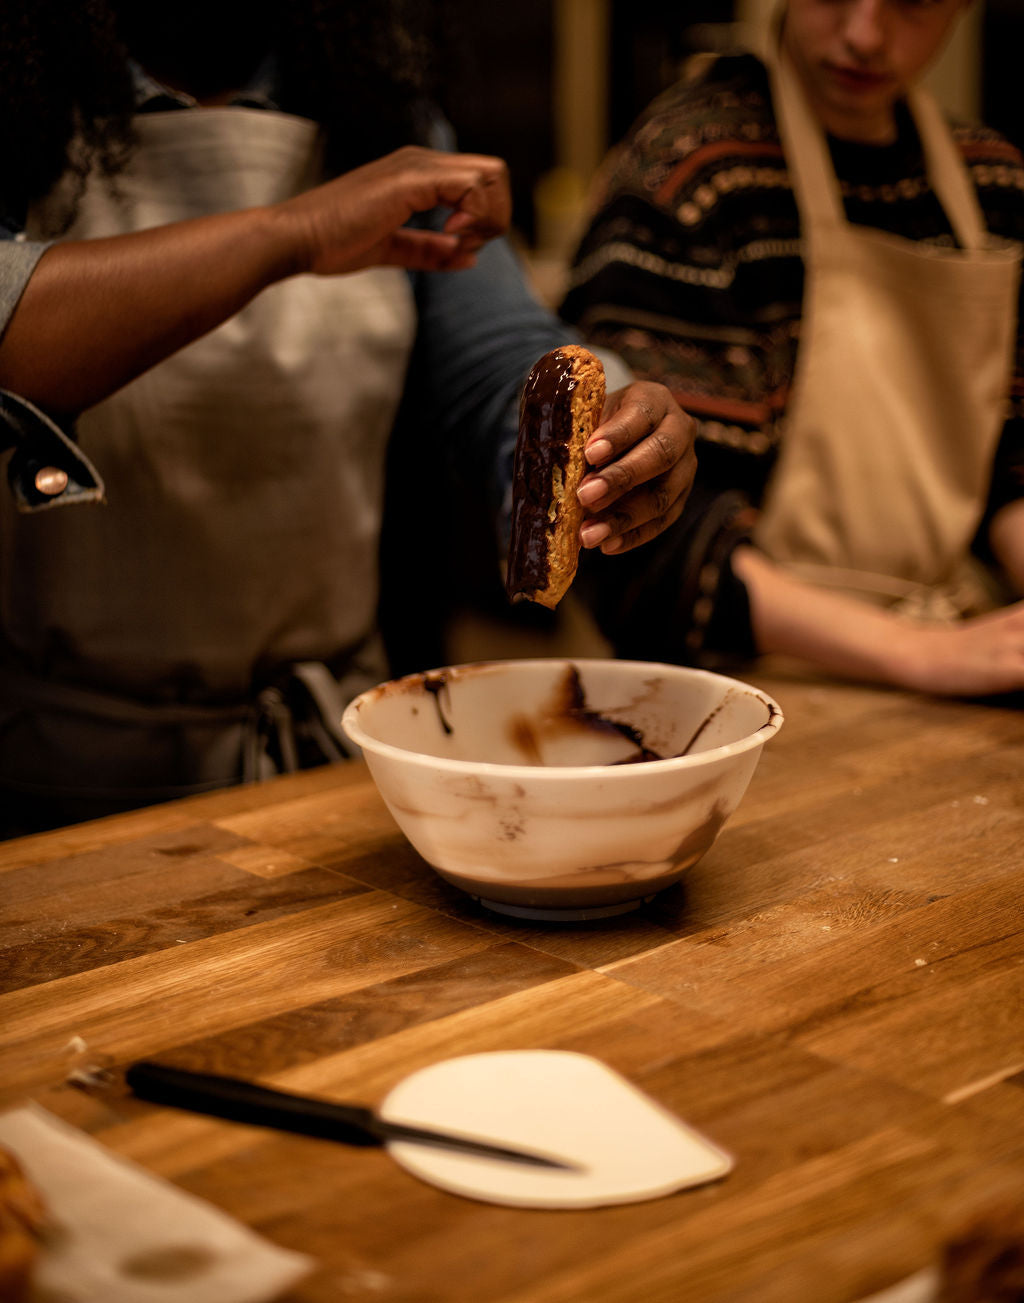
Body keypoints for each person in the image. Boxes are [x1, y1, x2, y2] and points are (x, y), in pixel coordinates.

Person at [0, 0, 697, 836]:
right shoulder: (20, 103)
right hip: (59, 788)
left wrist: (616, 433)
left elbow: (498, 360)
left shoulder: (376, 107)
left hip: (329, 763)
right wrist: (292, 234)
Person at [562, 0, 1024, 699]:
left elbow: (1009, 467)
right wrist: (920, 652)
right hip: (743, 687)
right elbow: (647, 540)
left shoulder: (994, 184)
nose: (865, 36)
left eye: (914, 4)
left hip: (957, 659)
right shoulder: (690, 173)